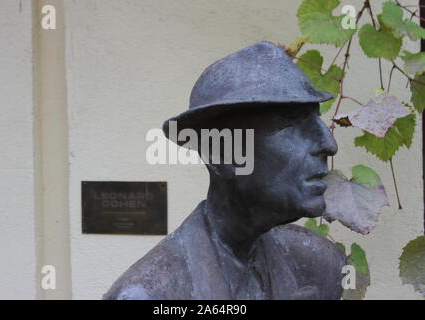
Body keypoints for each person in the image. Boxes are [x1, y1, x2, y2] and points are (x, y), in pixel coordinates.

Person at [104, 41, 347, 300]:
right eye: (292, 123)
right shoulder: (150, 294)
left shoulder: (321, 266)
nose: (329, 145)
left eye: (317, 120)